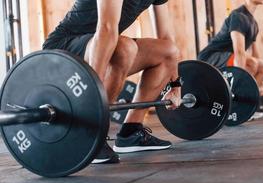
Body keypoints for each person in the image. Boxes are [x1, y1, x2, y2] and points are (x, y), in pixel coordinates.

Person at [43, 0, 182, 164]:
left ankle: (131, 132)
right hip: (62, 51)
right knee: (125, 48)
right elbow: (106, 29)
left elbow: (166, 37)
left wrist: (175, 86)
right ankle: (91, 133)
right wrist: (93, 89)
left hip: (103, 45)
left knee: (168, 51)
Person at [198, 0, 263, 120]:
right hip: (210, 58)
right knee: (250, 64)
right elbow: (239, 52)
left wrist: (260, 83)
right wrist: (240, 83)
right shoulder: (238, 16)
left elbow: (255, 55)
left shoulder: (254, 23)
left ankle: (248, 106)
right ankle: (236, 103)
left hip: (228, 57)